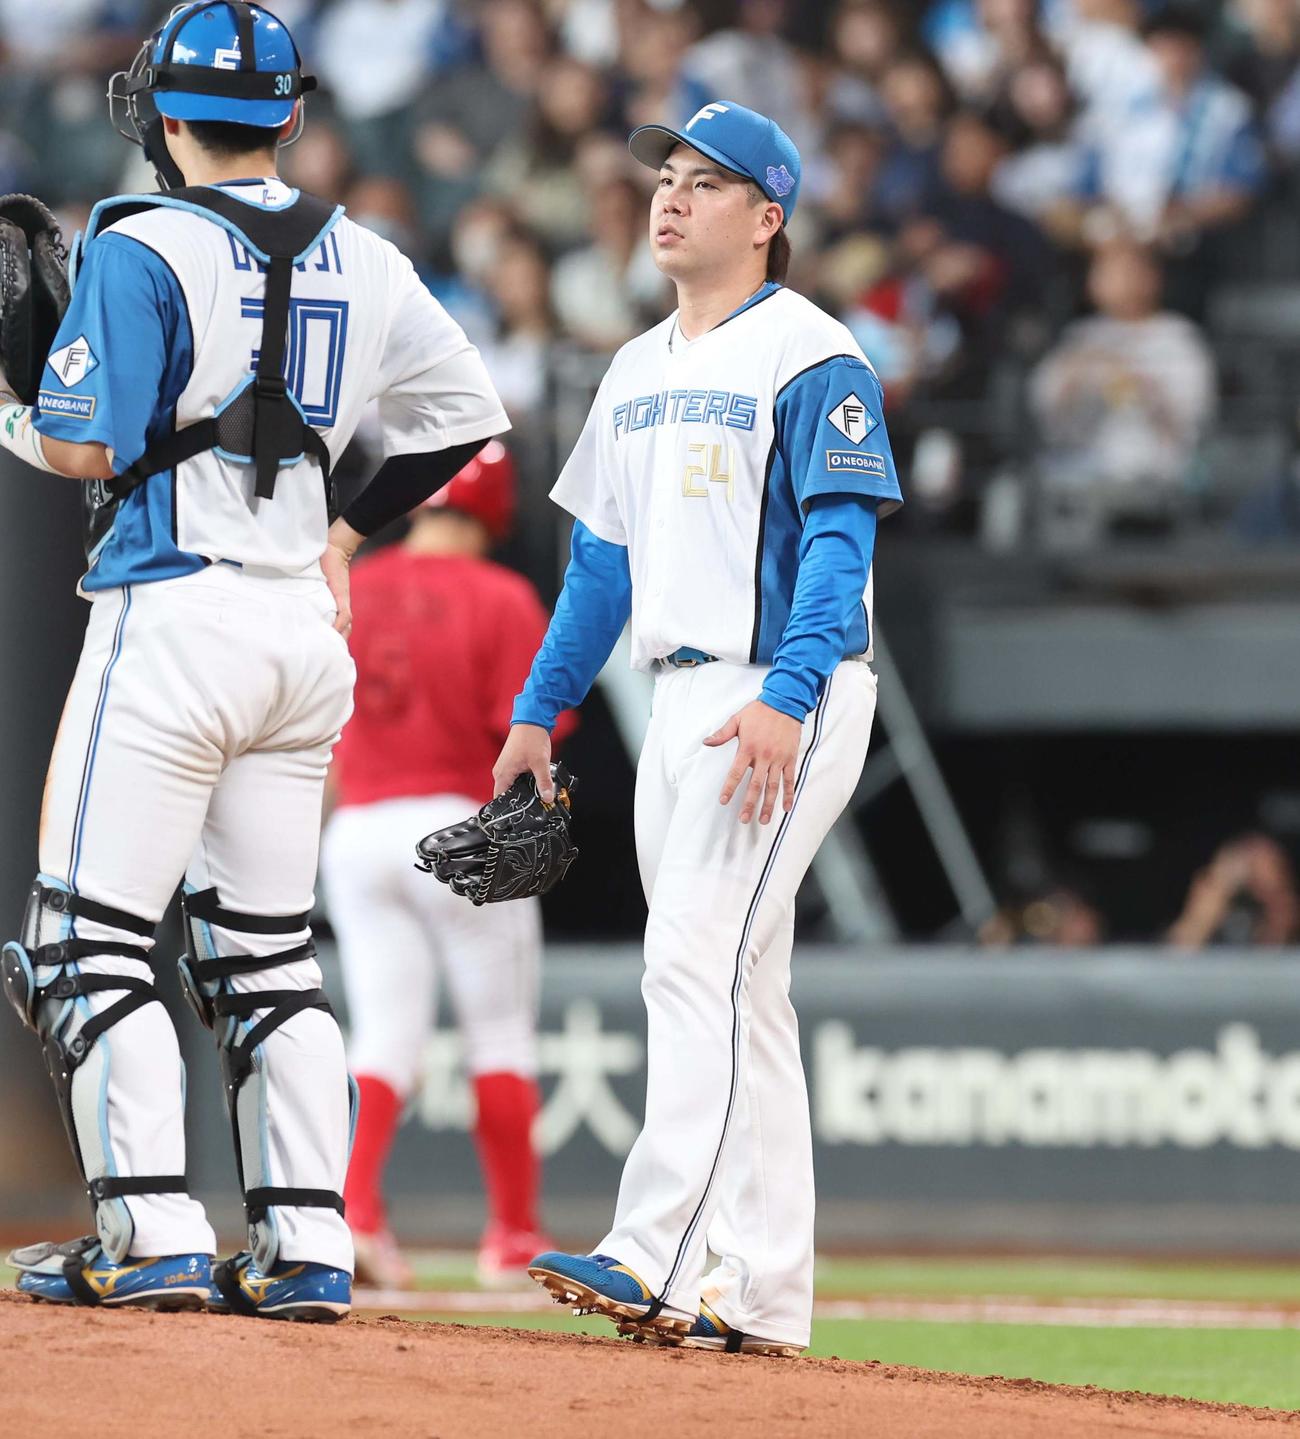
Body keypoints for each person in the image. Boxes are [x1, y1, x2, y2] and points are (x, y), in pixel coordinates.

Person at [0, 1, 507, 1320]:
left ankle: (148, 1226)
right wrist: (344, 527)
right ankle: (306, 1243)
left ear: (168, 117)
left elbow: (86, 448)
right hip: (298, 626)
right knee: (268, 957)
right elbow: (464, 419)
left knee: (85, 946)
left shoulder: (138, 238)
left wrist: (8, 407)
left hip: (173, 617)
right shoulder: (370, 251)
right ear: (289, 112)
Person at [496, 100, 902, 1357]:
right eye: (666, 177)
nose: (669, 197)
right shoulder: (629, 368)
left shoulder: (812, 351)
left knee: (688, 956)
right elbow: (597, 572)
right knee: (745, 987)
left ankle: (652, 1246)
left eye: (706, 183)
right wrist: (536, 707)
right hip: (671, 691)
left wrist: (786, 697)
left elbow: (841, 541)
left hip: (781, 683)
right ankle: (766, 1293)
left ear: (767, 217)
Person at [320, 442, 572, 1289]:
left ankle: (351, 1214)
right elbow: (537, 735)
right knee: (498, 1034)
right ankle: (512, 1234)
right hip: (463, 822)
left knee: (383, 1036)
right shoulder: (502, 595)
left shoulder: (353, 578)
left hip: (357, 827)